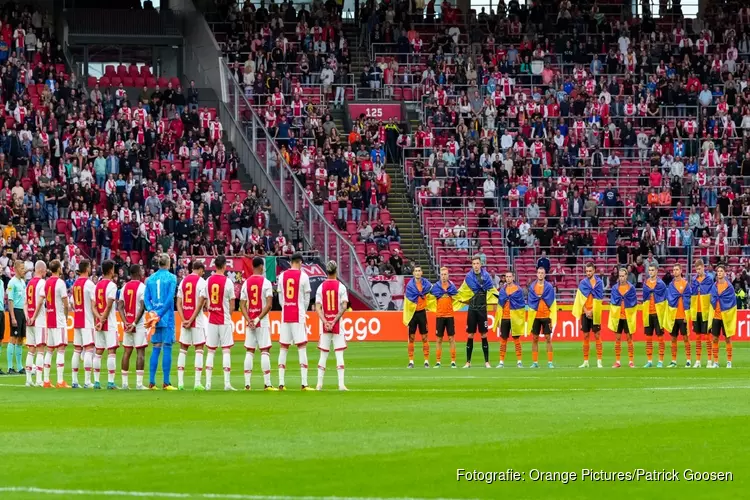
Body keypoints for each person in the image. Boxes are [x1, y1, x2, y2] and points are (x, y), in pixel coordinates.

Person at [240, 256, 277, 391]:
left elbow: (242, 304)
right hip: (262, 321)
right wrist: (257, 319)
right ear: (261, 266)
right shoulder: (266, 283)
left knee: (249, 351)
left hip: (250, 322)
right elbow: (269, 305)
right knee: (265, 350)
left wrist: (248, 319)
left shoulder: (246, 283)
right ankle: (267, 384)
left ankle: (247, 384)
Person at [277, 252, 313, 390]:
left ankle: (281, 382)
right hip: (298, 314)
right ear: (299, 262)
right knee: (302, 347)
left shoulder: (282, 276)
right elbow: (306, 299)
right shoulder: (303, 276)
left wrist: (286, 307)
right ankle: (304, 383)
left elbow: (280, 299)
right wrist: (301, 311)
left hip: (285, 314)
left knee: (283, 347)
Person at [455, 255, 499, 368]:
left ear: (481, 264)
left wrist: (501, 298)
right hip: (472, 309)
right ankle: (468, 362)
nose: (475, 266)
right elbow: (462, 291)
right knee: (470, 334)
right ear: (472, 265)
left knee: (484, 335)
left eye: (477, 263)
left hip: (482, 309)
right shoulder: (468, 277)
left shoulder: (486, 276)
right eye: (473, 264)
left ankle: (487, 362)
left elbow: (492, 290)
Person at [144, 253, 178, 390]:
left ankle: (151, 382)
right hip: (166, 316)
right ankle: (166, 382)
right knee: (167, 347)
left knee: (156, 347)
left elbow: (146, 299)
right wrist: (160, 314)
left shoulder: (150, 279)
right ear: (169, 263)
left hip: (154, 317)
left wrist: (152, 312)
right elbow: (170, 298)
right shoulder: (172, 278)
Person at [314, 261, 349, 390]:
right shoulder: (341, 287)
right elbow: (344, 306)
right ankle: (341, 384)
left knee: (323, 354)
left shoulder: (320, 287)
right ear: (336, 270)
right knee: (339, 354)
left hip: (324, 324)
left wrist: (325, 321)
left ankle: (319, 384)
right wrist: (333, 321)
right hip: (337, 324)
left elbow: (318, 307)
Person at [205, 255, 237, 391]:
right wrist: (229, 317)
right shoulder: (228, 282)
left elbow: (205, 300)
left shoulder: (208, 281)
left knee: (211, 351)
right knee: (226, 351)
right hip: (224, 320)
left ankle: (207, 383)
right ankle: (227, 383)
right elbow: (232, 304)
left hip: (212, 319)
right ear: (224, 266)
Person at [176, 260, 208, 391]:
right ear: (199, 269)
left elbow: (178, 302)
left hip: (185, 321)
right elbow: (200, 303)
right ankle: (197, 383)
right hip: (197, 321)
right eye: (203, 271)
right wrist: (191, 319)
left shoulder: (183, 281)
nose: (203, 273)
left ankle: (180, 383)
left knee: (183, 349)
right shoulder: (202, 282)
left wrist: (184, 319)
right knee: (199, 349)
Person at [118, 265, 148, 390]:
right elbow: (142, 307)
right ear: (137, 273)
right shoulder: (142, 287)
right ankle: (139, 384)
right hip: (138, 324)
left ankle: (124, 384)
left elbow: (120, 306)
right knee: (140, 352)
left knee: (127, 352)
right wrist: (134, 323)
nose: (142, 272)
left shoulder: (124, 287)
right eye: (141, 270)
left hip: (127, 323)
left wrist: (125, 322)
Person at [572, 262, 604, 368]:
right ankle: (585, 361)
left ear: (594, 271)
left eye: (590, 271)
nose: (588, 273)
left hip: (595, 312)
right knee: (585, 336)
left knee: (597, 335)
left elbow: (600, 299)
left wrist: (592, 310)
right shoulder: (583, 283)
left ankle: (599, 361)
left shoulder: (599, 283)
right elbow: (580, 300)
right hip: (585, 312)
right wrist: (586, 311)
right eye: (587, 271)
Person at [43, 260, 69, 388]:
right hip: (59, 320)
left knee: (49, 350)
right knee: (61, 349)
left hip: (50, 319)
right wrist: (66, 316)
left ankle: (46, 380)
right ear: (58, 269)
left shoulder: (47, 283)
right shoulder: (60, 283)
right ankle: (60, 381)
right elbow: (65, 303)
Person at [94, 260, 119, 389]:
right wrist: (103, 320)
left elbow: (93, 306)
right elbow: (109, 305)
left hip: (99, 323)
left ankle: (96, 382)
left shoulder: (97, 285)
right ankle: (110, 382)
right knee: (111, 351)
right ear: (110, 270)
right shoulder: (112, 286)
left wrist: (98, 319)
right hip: (109, 323)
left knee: (98, 351)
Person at [71, 259, 96, 388]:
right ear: (87, 269)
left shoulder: (75, 284)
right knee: (89, 349)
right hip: (87, 321)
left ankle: (74, 381)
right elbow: (94, 305)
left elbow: (71, 302)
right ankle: (87, 381)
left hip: (77, 320)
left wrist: (78, 309)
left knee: (77, 350)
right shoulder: (90, 284)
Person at [402, 265, 433, 368]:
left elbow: (432, 292)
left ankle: (426, 361)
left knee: (424, 337)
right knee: (411, 338)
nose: (418, 272)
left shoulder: (426, 284)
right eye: (416, 271)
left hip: (422, 313)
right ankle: (411, 361)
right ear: (413, 273)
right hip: (413, 313)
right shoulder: (410, 286)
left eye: (419, 271)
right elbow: (407, 301)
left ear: (421, 273)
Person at [527, 267, 557, 369]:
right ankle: (535, 362)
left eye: (542, 273)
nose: (540, 274)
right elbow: (531, 301)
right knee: (535, 338)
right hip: (535, 316)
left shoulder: (549, 287)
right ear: (537, 274)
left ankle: (550, 362)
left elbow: (552, 301)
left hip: (546, 315)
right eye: (539, 273)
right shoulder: (532, 287)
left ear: (545, 275)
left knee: (548, 338)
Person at [494, 271, 525, 368]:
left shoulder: (518, 290)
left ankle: (519, 361)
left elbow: (521, 305)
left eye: (509, 276)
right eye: (506, 277)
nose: (508, 278)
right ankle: (501, 362)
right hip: (504, 318)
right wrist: (498, 318)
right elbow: (500, 305)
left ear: (513, 277)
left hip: (514, 317)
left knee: (516, 339)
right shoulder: (502, 290)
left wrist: (520, 318)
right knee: (503, 340)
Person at [608, 267, 638, 368]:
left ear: (626, 276)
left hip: (627, 317)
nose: (621, 278)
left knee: (629, 338)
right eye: (620, 276)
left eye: (623, 276)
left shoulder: (631, 288)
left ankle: (631, 361)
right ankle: (617, 361)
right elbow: (612, 301)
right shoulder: (615, 288)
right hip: (618, 317)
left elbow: (634, 302)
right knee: (617, 339)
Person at [664, 264, 692, 368]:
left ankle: (688, 360)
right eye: (673, 270)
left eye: (676, 269)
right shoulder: (671, 285)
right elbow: (670, 300)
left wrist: (686, 314)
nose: (675, 272)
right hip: (674, 315)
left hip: (683, 315)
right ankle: (673, 361)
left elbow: (688, 300)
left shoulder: (685, 284)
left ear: (681, 271)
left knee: (685, 338)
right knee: (673, 339)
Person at [708, 264, 736, 368]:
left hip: (726, 316)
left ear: (724, 273)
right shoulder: (714, 286)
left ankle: (729, 361)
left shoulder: (729, 287)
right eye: (718, 271)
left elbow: (732, 302)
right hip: (716, 316)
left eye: (721, 271)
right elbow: (712, 300)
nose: (719, 273)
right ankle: (716, 362)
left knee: (728, 338)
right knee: (715, 339)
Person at [24, 260, 47, 387]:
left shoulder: (29, 284)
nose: (45, 273)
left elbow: (25, 304)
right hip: (39, 320)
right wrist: (34, 317)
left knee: (31, 350)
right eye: (44, 270)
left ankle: (28, 379)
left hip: (30, 321)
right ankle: (38, 379)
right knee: (40, 349)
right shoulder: (42, 283)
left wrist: (28, 316)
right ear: (40, 270)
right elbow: (39, 303)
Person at [430, 267, 458, 368]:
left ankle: (453, 361)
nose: (444, 276)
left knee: (451, 338)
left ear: (448, 275)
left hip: (450, 315)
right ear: (440, 275)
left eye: (445, 274)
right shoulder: (436, 287)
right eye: (442, 274)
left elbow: (456, 297)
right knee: (439, 339)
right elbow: (430, 298)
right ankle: (438, 361)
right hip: (440, 316)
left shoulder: (452, 287)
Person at [642, 264, 667, 368]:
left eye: (653, 270)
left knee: (660, 337)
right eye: (649, 270)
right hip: (648, 312)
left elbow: (664, 299)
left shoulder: (661, 284)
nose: (651, 272)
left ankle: (660, 361)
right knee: (648, 338)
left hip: (658, 313)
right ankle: (649, 360)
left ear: (657, 271)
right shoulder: (646, 283)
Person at [690, 259, 714, 368]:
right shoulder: (694, 280)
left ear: (703, 267)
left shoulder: (709, 280)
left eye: (700, 269)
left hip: (706, 311)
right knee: (698, 337)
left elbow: (711, 294)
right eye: (697, 269)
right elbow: (692, 294)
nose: (698, 271)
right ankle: (698, 361)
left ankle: (709, 360)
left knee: (707, 337)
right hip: (696, 311)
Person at [8, 260, 27, 379]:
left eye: (24, 268)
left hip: (22, 312)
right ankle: (10, 367)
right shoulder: (12, 282)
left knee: (20, 339)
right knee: (13, 338)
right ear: (15, 269)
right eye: (21, 268)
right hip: (15, 311)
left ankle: (20, 367)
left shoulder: (22, 282)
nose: (23, 270)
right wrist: (12, 316)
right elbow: (10, 300)